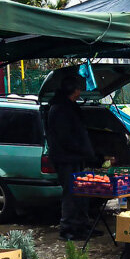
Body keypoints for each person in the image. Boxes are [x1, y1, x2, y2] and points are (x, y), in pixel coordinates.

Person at [46, 74, 100, 240]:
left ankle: (83, 226)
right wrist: (84, 151)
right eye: (78, 89)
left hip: (75, 158)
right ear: (73, 90)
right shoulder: (61, 109)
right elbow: (66, 138)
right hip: (66, 159)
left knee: (81, 192)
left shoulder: (68, 107)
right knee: (71, 193)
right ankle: (68, 229)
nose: (80, 91)